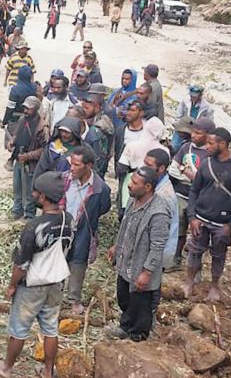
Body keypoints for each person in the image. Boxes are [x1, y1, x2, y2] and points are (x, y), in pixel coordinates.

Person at [0, 171, 73, 378]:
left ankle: (6, 368)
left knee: (19, 329)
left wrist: (12, 285)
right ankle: (47, 372)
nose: (33, 194)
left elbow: (21, 264)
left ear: (43, 197)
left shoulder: (34, 227)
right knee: (50, 329)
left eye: (36, 192)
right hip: (56, 283)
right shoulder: (68, 219)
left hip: (32, 286)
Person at [183, 128, 231, 302]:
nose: (207, 146)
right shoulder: (206, 163)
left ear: (223, 144)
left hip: (222, 223)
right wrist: (192, 217)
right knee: (195, 251)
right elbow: (194, 190)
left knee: (219, 255)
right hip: (201, 219)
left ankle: (214, 285)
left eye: (211, 143)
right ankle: (189, 281)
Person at [105, 166, 170, 342]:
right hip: (126, 263)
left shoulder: (158, 212)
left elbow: (157, 246)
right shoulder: (133, 200)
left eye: (134, 182)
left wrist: (147, 272)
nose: (129, 185)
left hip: (140, 266)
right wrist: (117, 246)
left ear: (147, 187)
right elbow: (125, 227)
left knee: (140, 302)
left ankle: (138, 334)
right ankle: (125, 326)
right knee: (124, 297)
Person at [61, 146, 112, 315]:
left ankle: (73, 299)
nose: (72, 168)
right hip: (62, 228)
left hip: (83, 230)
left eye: (77, 165)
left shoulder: (100, 189)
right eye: (71, 163)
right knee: (58, 260)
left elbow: (103, 208)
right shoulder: (64, 180)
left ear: (89, 165)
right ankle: (54, 296)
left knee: (78, 262)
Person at [166, 118, 214, 271]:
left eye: (198, 133)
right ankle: (175, 258)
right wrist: (192, 176)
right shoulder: (186, 147)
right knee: (178, 228)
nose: (193, 135)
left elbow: (206, 179)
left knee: (198, 232)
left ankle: (195, 265)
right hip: (181, 193)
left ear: (208, 135)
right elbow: (173, 170)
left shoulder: (211, 153)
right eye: (193, 132)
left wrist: (184, 170)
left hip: (201, 198)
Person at [7, 96, 50, 221]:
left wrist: (28, 156)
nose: (26, 111)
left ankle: (29, 216)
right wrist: (12, 142)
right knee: (17, 188)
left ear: (36, 109)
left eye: (29, 109)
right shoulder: (23, 119)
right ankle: (17, 211)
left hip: (31, 165)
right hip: (19, 159)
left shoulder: (42, 128)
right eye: (25, 108)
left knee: (30, 192)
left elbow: (45, 150)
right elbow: (16, 134)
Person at [143, 149, 180, 272]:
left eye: (149, 165)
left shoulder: (164, 196)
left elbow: (159, 236)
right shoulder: (153, 184)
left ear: (161, 168)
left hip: (155, 255)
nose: (144, 168)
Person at [33, 117, 86, 182]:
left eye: (67, 132)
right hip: (52, 183)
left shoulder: (84, 150)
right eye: (62, 131)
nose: (63, 134)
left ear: (74, 133)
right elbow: (40, 169)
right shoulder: (52, 147)